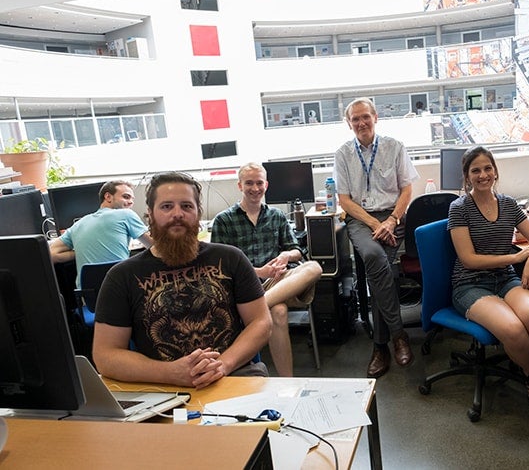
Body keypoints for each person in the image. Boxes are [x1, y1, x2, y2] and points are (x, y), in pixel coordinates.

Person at [93, 172, 273, 389]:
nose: (177, 214)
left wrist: (222, 365)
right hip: (160, 387)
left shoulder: (231, 258)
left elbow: (261, 322)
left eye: (187, 206)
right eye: (166, 206)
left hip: (232, 377)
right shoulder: (122, 276)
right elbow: (105, 355)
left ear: (198, 213)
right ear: (150, 214)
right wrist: (170, 373)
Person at [449, 146, 529, 412]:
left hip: (505, 279)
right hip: (470, 284)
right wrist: (516, 258)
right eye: (476, 170)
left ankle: (526, 364)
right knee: (513, 330)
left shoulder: (508, 204)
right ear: (467, 176)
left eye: (488, 168)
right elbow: (469, 260)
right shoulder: (459, 208)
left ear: (496, 171)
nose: (483, 175)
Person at [211, 162, 323, 377]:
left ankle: (258, 307)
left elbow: (296, 250)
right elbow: (221, 268)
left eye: (259, 183)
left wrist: (285, 255)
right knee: (278, 312)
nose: (255, 188)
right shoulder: (224, 220)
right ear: (239, 186)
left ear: (266, 185)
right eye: (249, 183)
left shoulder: (277, 216)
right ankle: (287, 382)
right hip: (244, 288)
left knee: (314, 267)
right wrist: (259, 272)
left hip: (276, 283)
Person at [334, 97, 419, 378]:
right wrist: (374, 223)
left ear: (375, 117)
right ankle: (398, 335)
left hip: (393, 217)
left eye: (365, 117)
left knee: (381, 275)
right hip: (361, 219)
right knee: (373, 256)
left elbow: (406, 190)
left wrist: (392, 220)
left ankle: (380, 347)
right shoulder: (343, 154)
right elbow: (344, 200)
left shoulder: (395, 147)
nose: (361, 123)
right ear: (348, 124)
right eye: (355, 119)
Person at [50, 180, 153, 287]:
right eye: (126, 197)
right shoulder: (126, 214)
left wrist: (83, 250)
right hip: (121, 289)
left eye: (132, 199)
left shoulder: (78, 224)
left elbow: (52, 255)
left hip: (89, 296)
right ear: (108, 197)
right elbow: (154, 246)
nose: (131, 202)